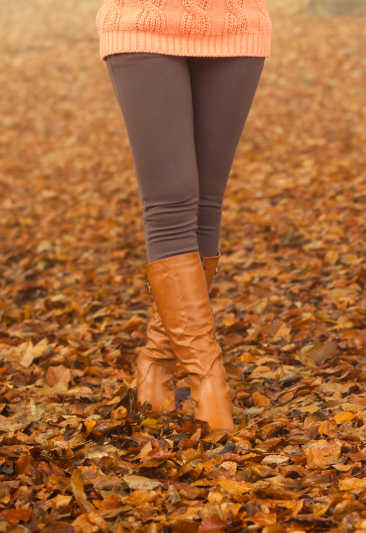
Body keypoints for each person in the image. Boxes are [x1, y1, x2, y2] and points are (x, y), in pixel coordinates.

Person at [95, 1, 271, 432]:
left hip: (236, 21)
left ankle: (156, 361)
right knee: (172, 200)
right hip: (143, 23)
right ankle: (209, 381)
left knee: (206, 205)